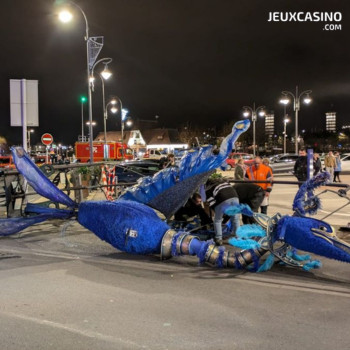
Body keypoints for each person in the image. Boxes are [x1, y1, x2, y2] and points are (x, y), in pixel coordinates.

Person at [205, 177, 240, 246]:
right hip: (235, 198)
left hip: (223, 199)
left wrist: (217, 212)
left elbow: (212, 203)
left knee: (217, 220)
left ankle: (218, 239)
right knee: (235, 218)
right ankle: (238, 237)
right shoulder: (225, 183)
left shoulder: (208, 189)